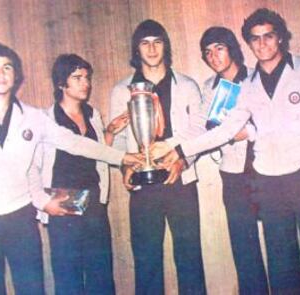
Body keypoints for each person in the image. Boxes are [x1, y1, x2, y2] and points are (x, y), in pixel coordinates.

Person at [151, 8, 300, 294]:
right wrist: (179, 150)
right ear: (249, 43)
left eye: (268, 36)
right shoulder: (246, 87)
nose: (262, 44)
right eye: (255, 39)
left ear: (279, 38)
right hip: (265, 179)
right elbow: (221, 129)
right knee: (281, 262)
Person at [0, 43, 143, 295]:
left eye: (7, 68)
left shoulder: (34, 118)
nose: (0, 74)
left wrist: (122, 157)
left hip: (21, 215)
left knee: (32, 288)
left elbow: (76, 143)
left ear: (16, 75)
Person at [110, 19, 206, 295]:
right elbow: (116, 139)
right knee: (147, 260)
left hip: (182, 180)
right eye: (144, 43)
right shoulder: (121, 91)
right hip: (143, 184)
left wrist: (183, 160)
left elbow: (198, 133)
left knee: (189, 258)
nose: (151, 49)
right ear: (136, 49)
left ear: (165, 46)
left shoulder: (187, 85)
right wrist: (124, 167)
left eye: (157, 41)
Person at [35, 54, 128, 295]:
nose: (85, 83)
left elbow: (97, 154)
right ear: (61, 84)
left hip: (94, 200)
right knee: (69, 277)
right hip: (64, 200)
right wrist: (45, 202)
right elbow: (35, 167)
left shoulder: (92, 114)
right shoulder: (46, 119)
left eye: (86, 77)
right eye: (77, 78)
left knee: (101, 274)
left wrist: (109, 132)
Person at [199, 26, 268, 294]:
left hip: (263, 169)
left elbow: (275, 124)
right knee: (243, 243)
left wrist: (247, 132)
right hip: (231, 172)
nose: (214, 56)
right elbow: (205, 128)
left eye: (219, 48)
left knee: (276, 240)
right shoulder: (209, 87)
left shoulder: (256, 77)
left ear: (231, 48)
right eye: (207, 52)